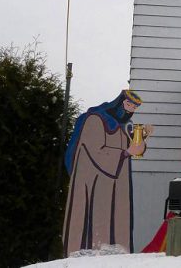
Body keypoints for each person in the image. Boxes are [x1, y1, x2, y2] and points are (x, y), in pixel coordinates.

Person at [63, 89, 150, 255]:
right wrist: (125, 153)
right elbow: (96, 150)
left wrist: (143, 138)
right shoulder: (95, 119)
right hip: (93, 181)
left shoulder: (124, 126)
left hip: (116, 184)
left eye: (134, 108)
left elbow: (133, 149)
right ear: (119, 102)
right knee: (94, 224)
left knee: (116, 220)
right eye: (128, 104)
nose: (130, 109)